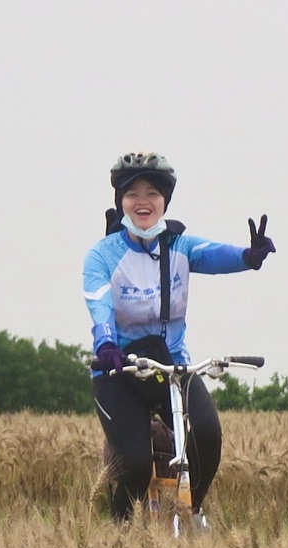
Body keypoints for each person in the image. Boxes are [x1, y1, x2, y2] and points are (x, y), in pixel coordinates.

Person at [84, 151, 276, 526]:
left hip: (170, 365)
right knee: (135, 465)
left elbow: (215, 255)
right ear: (120, 202)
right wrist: (106, 343)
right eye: (133, 193)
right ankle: (121, 536)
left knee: (206, 436)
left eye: (152, 193)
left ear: (165, 202)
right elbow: (97, 301)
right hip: (117, 371)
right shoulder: (102, 255)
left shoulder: (179, 245)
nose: (143, 201)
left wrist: (249, 256)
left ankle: (192, 510)